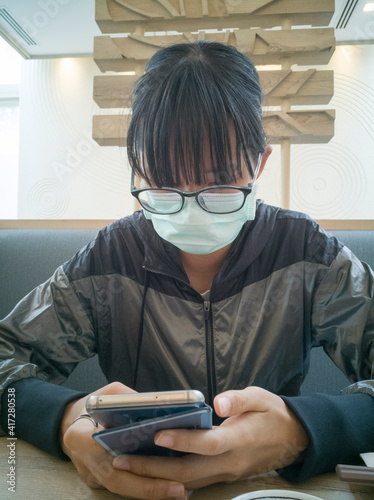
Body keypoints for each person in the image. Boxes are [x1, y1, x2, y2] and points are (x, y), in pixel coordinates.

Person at [0, 41, 373, 500]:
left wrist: (303, 430)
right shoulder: (109, 259)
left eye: (218, 184)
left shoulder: (307, 254)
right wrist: (62, 419)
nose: (190, 206)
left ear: (259, 163)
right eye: (163, 183)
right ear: (138, 170)